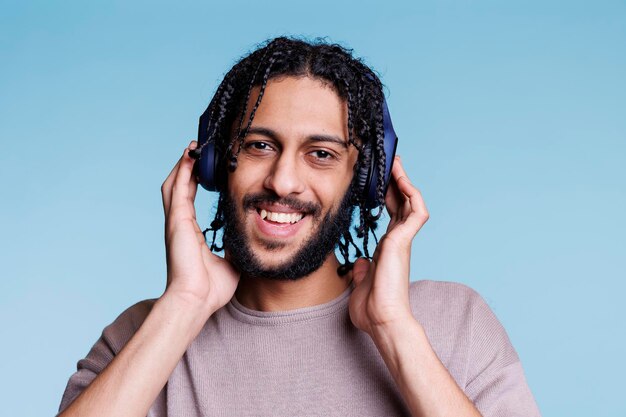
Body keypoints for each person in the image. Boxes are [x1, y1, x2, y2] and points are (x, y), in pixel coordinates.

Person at [57, 36, 542, 417]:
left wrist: (393, 329)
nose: (283, 181)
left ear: (365, 180)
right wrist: (185, 306)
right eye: (259, 145)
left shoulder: (454, 323)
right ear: (211, 164)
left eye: (322, 154)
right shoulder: (140, 337)